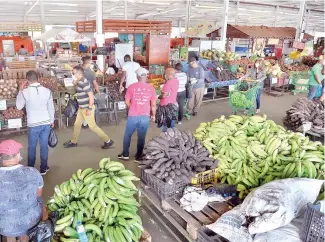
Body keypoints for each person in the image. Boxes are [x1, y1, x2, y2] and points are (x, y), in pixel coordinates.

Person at [0, 140, 45, 242]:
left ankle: (10, 238)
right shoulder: (33, 172)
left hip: (4, 226)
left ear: (1, 158)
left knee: (8, 226)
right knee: (25, 228)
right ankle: (24, 238)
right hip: (30, 221)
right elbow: (38, 197)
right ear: (18, 155)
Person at [63, 66, 114, 149]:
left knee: (93, 126)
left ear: (78, 74)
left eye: (73, 72)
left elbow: (91, 96)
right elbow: (74, 84)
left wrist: (90, 109)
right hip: (81, 108)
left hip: (87, 108)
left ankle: (108, 141)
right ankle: (73, 141)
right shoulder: (79, 80)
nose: (72, 74)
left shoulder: (84, 82)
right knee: (77, 124)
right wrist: (75, 80)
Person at [16, 70, 54, 175]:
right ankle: (43, 168)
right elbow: (51, 108)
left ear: (27, 80)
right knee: (44, 146)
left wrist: (20, 90)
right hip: (46, 122)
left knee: (32, 147)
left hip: (33, 124)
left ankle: (31, 168)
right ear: (38, 78)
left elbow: (19, 106)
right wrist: (52, 120)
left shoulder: (25, 92)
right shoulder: (47, 91)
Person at [118, 68, 156, 161]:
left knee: (128, 135)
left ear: (137, 76)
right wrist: (153, 115)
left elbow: (127, 102)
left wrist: (133, 107)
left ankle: (125, 154)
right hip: (145, 116)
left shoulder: (131, 87)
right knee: (141, 136)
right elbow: (153, 104)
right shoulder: (151, 88)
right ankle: (138, 156)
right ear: (146, 77)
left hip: (133, 116)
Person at [82, 56, 100, 128]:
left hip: (80, 92)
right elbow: (95, 84)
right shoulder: (91, 73)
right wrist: (98, 91)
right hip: (89, 92)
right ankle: (85, 123)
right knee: (89, 106)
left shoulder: (79, 70)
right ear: (89, 63)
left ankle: (84, 122)